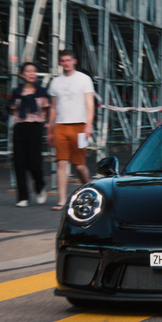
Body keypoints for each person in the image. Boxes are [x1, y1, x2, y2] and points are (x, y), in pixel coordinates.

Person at [47, 49, 95, 211]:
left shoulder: (84, 79)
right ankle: (62, 200)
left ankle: (88, 188)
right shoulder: (55, 82)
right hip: (60, 126)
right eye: (63, 61)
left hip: (80, 126)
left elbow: (90, 104)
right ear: (60, 63)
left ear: (74, 61)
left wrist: (89, 125)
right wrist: (49, 128)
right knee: (61, 163)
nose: (66, 63)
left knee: (79, 165)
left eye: (68, 60)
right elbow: (53, 107)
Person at [8, 62, 50, 208]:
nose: (32, 74)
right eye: (28, 71)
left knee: (34, 163)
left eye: (34, 71)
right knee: (19, 163)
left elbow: (45, 112)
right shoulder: (17, 92)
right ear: (22, 74)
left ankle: (40, 187)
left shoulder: (42, 92)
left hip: (35, 128)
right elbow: (12, 109)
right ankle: (23, 197)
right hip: (19, 127)